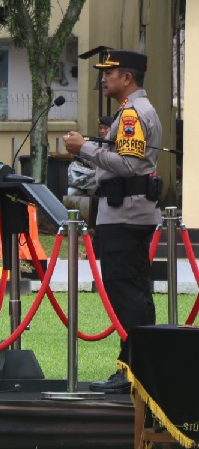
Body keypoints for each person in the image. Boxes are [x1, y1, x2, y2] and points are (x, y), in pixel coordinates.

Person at [63, 50, 161, 395]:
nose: (104, 78)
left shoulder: (133, 113)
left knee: (128, 294)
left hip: (126, 215)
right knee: (132, 292)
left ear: (127, 78)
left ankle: (136, 371)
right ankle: (140, 367)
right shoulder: (129, 111)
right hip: (126, 213)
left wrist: (84, 148)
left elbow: (130, 166)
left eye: (110, 72)